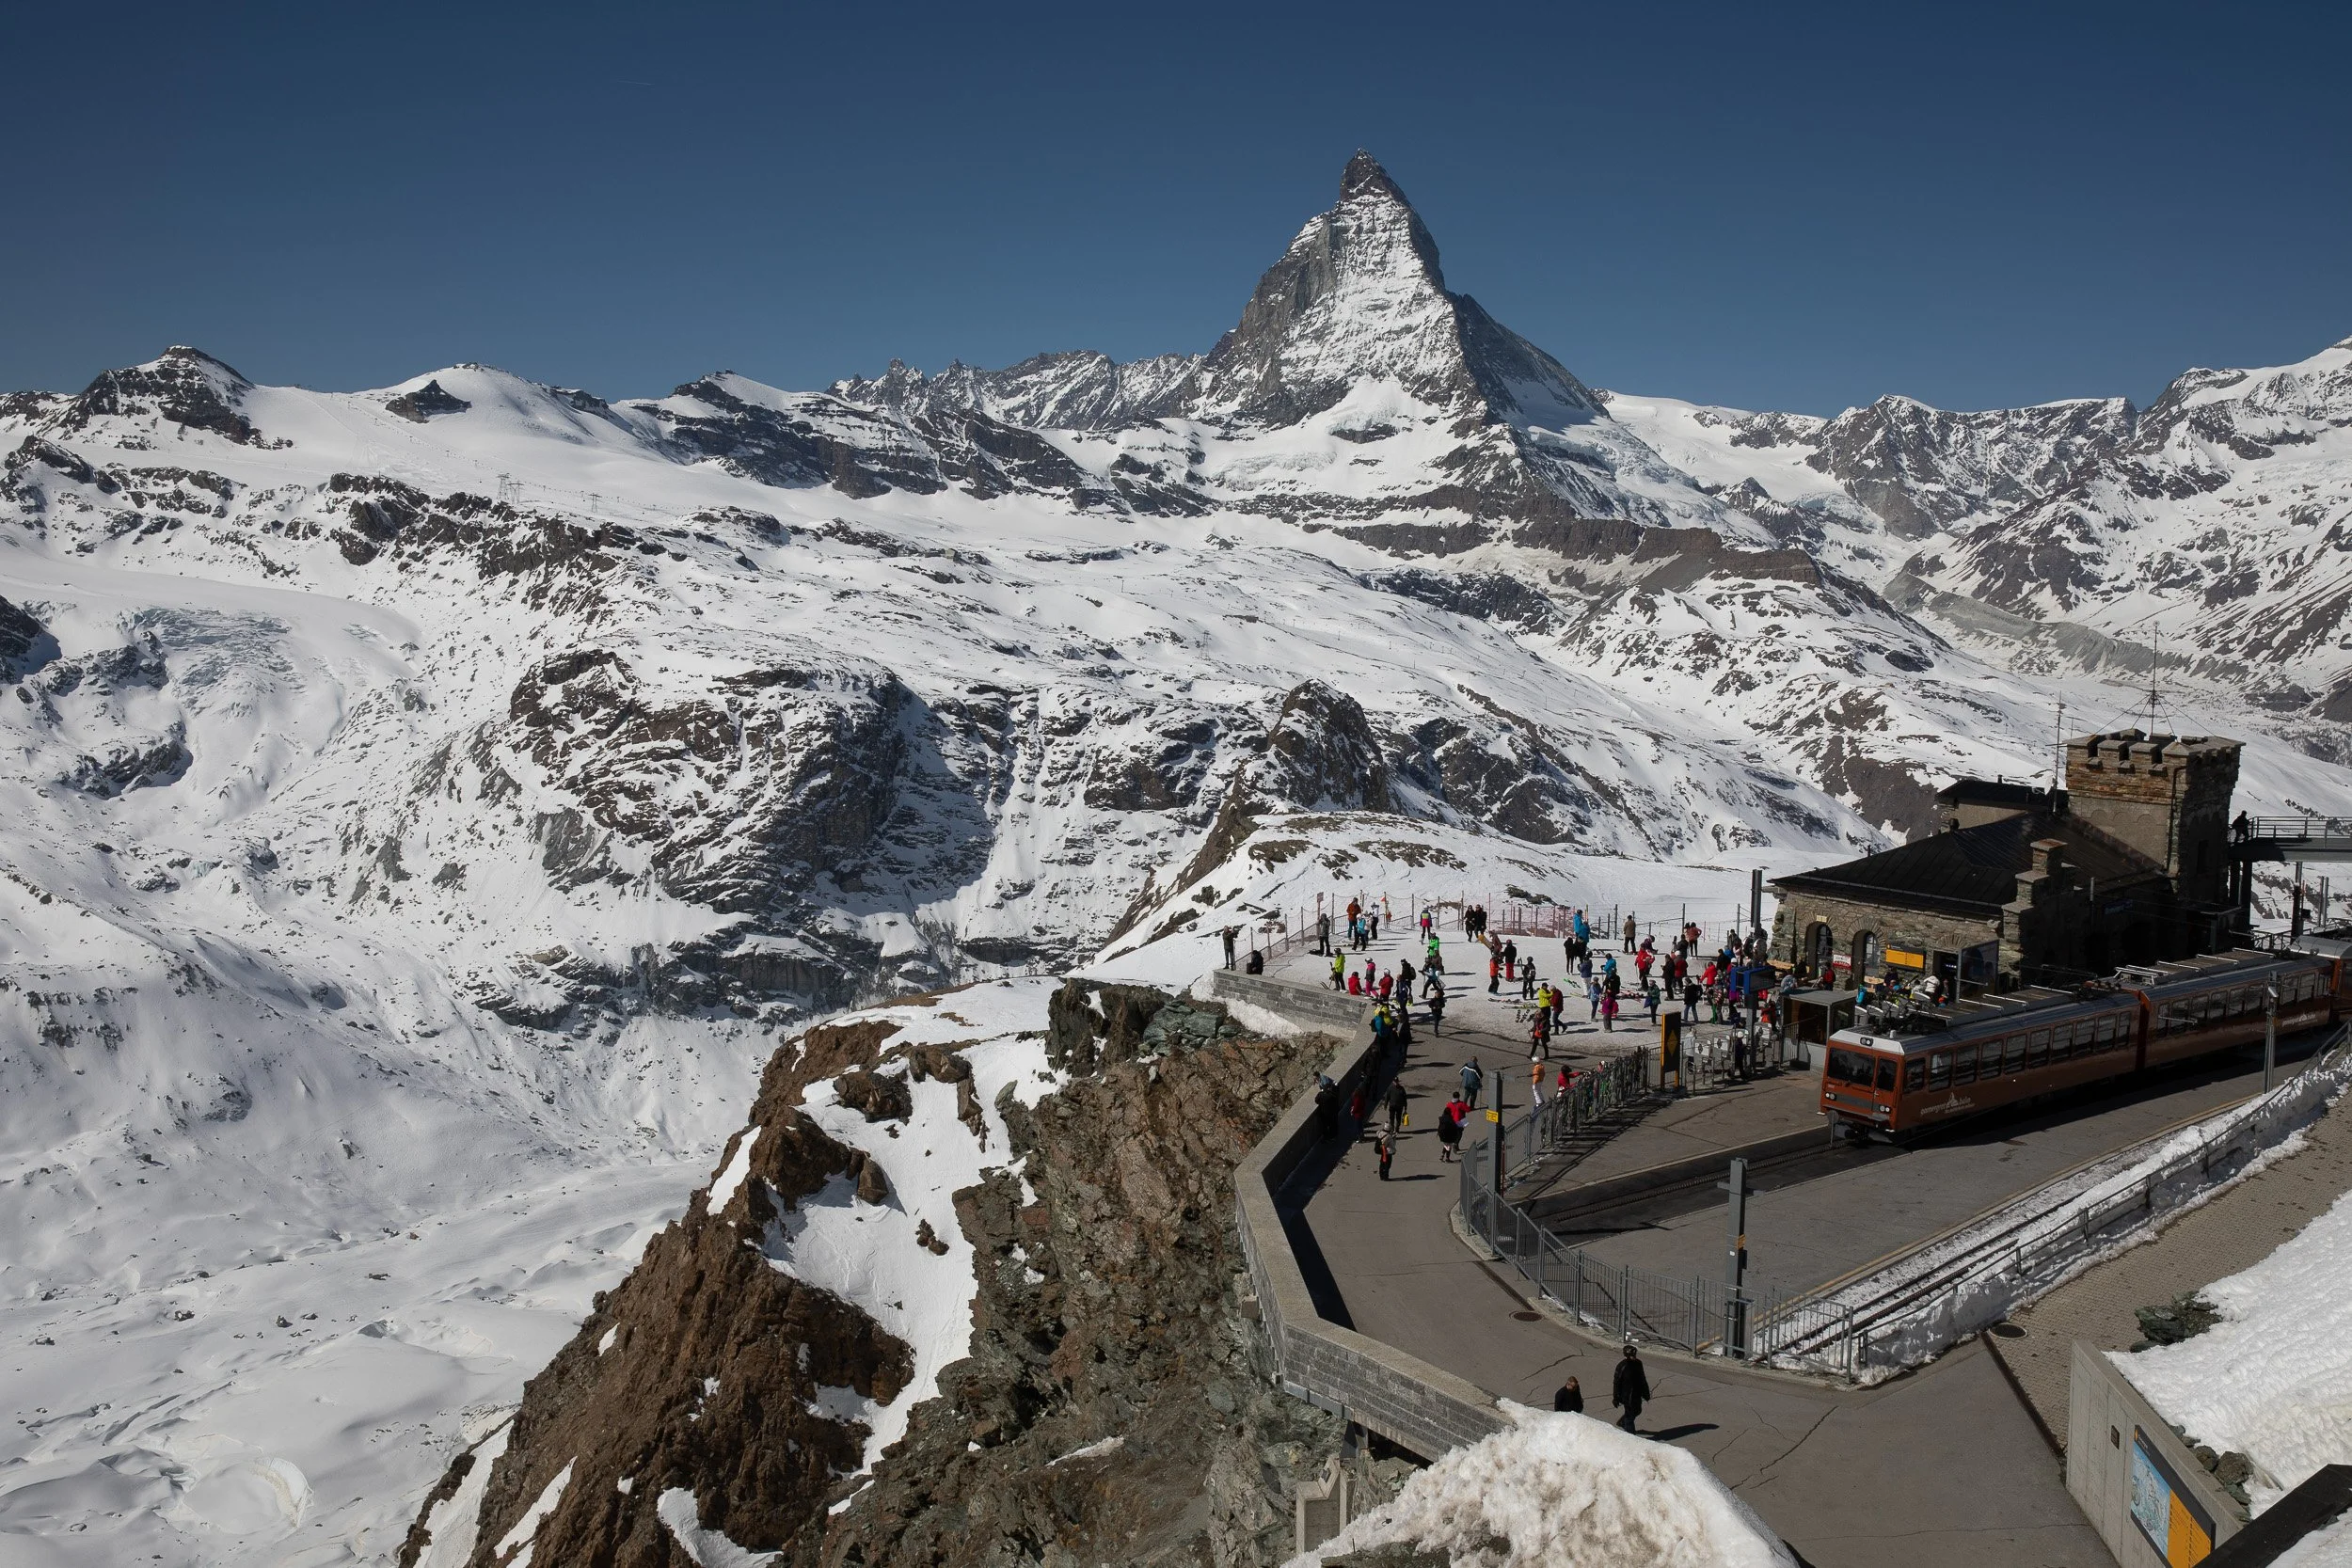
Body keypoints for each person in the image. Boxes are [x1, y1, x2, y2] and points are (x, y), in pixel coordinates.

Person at [1612, 1343, 1650, 1433]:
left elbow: (1642, 1379)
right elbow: (1616, 1383)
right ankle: (1631, 1437)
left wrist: (1646, 1393)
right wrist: (1616, 1398)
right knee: (1630, 1417)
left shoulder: (1638, 1364)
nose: (1634, 1357)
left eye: (1635, 1355)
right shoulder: (1622, 1366)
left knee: (1638, 1411)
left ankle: (1622, 1422)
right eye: (1633, 1355)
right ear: (1627, 1356)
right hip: (1627, 1396)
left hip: (1637, 1393)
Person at [1437, 1095, 1464, 1162]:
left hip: (1442, 1135)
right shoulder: (1451, 1120)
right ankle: (1447, 1158)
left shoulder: (1442, 1118)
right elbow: (1454, 1128)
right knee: (1449, 1146)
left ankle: (1442, 1156)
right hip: (1449, 1136)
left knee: (1446, 1145)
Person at [1314, 1076, 1341, 1141]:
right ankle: (1333, 1136)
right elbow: (1336, 1103)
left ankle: (1326, 1137)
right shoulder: (1332, 1096)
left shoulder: (1321, 1094)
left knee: (1325, 1126)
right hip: (1332, 1113)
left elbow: (1316, 1101)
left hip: (1324, 1114)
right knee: (1333, 1125)